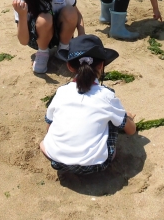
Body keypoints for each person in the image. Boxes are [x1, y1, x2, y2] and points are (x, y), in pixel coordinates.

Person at [40, 34, 137, 175]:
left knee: (45, 141)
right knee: (112, 121)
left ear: (70, 66)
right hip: (95, 165)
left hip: (56, 160)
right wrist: (129, 119)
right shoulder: (106, 95)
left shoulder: (61, 92)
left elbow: (49, 126)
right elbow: (131, 130)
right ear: (101, 64)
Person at [12, 0, 85, 74]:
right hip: (37, 36)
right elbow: (23, 41)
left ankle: (64, 48)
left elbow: (77, 14)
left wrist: (82, 34)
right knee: (44, 18)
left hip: (62, 32)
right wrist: (22, 15)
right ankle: (43, 52)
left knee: (70, 11)